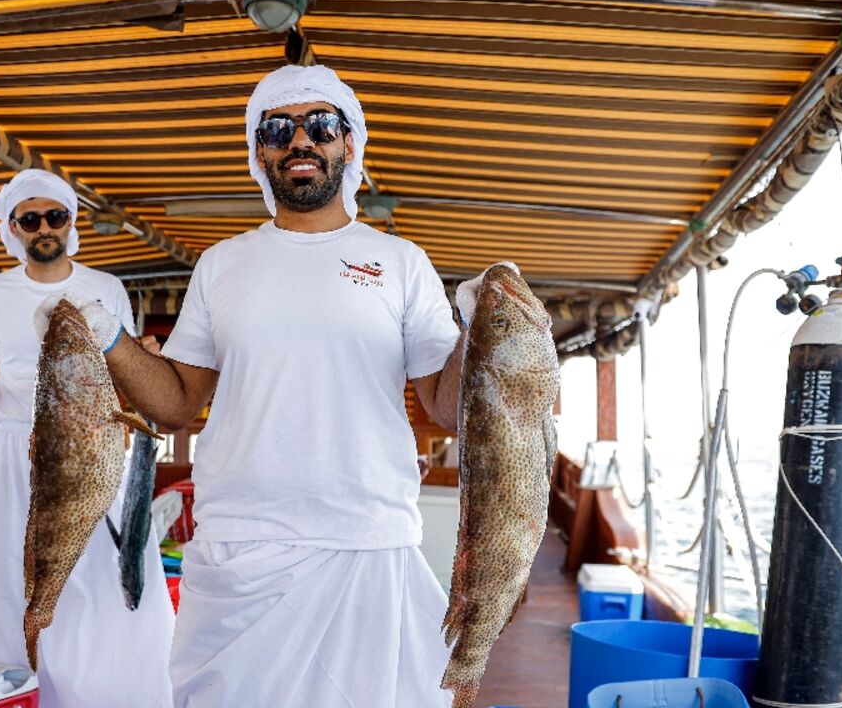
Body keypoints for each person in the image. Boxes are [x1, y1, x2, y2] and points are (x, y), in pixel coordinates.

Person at [42, 65, 502, 707]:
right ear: (260, 152)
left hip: (364, 539)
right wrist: (110, 336)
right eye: (279, 129)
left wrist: (482, 332)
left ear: (350, 142)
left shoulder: (401, 262)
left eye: (321, 126)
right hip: (237, 545)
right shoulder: (222, 263)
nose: (300, 142)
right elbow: (175, 404)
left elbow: (447, 407)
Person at [0, 169, 174, 708]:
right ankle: (18, 693)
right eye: (30, 219)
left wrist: (150, 364)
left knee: (107, 587)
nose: (44, 227)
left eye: (55, 216)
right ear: (13, 229)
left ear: (71, 222)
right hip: (11, 459)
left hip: (90, 451)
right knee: (0, 583)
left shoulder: (105, 287)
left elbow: (126, 369)